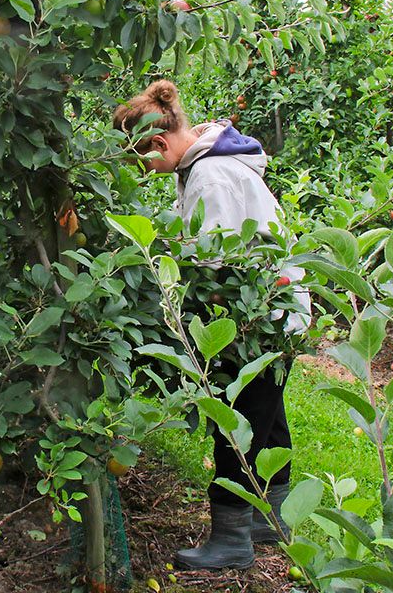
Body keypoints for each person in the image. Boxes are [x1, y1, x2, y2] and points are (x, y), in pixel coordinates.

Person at [112, 79, 309, 571]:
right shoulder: (206, 163)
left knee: (237, 422)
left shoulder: (210, 176)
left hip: (257, 317)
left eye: (144, 161)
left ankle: (232, 537)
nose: (148, 173)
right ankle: (272, 520)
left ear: (159, 143)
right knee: (267, 415)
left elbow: (215, 264)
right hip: (273, 312)